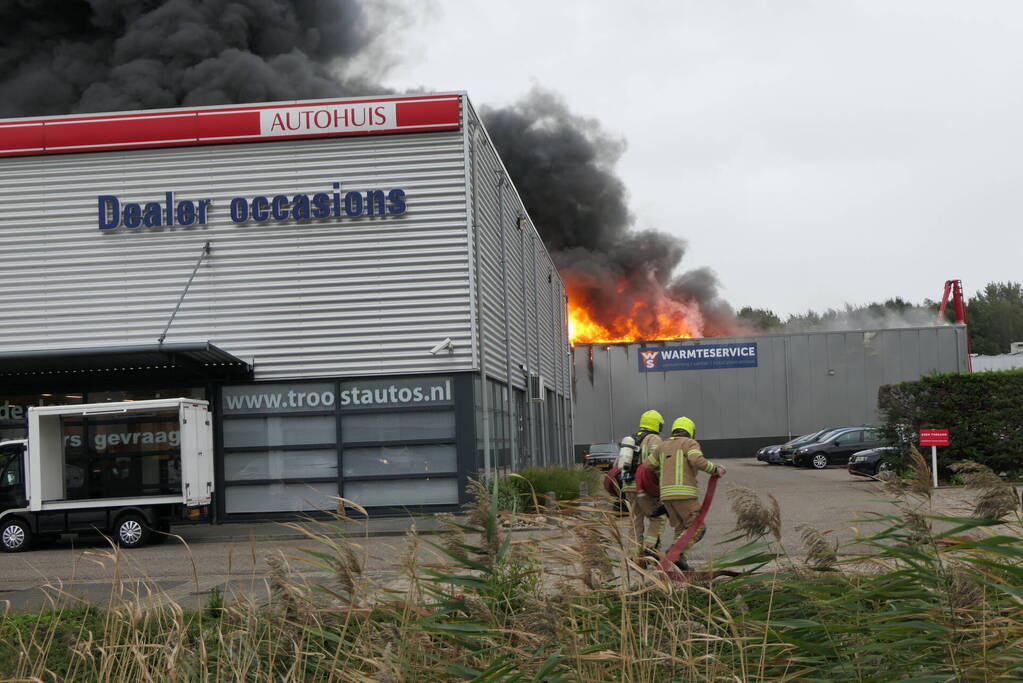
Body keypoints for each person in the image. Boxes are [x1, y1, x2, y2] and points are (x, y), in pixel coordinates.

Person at [646, 416, 725, 571]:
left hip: (667, 496)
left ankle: (680, 566)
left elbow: (648, 465)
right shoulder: (689, 442)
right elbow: (697, 460)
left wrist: (664, 473)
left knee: (682, 529)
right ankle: (675, 553)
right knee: (697, 528)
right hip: (685, 494)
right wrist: (716, 469)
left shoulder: (662, 446)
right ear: (691, 431)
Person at [617, 409, 665, 557]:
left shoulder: (631, 439)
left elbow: (618, 465)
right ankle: (650, 549)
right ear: (657, 424)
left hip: (628, 486)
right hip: (644, 486)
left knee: (635, 521)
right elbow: (658, 464)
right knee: (657, 518)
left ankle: (633, 555)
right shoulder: (654, 439)